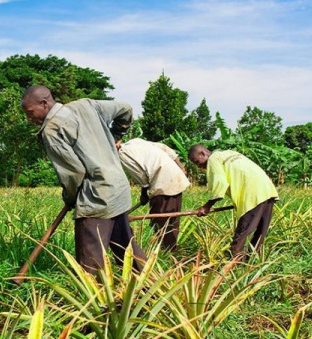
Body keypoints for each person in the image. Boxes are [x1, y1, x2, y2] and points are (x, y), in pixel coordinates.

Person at [21, 85, 147, 274]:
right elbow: (126, 109)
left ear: (44, 104)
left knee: (91, 259)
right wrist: (116, 135)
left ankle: (96, 300)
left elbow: (74, 174)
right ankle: (151, 288)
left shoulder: (52, 129)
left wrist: (70, 198)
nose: (29, 119)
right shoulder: (86, 105)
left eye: (30, 112)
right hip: (119, 189)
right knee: (124, 245)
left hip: (96, 196)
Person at [188, 144, 278, 258]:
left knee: (240, 236)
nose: (198, 166)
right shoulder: (229, 153)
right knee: (260, 233)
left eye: (197, 162)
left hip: (252, 194)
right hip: (267, 190)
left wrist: (206, 206)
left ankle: (234, 265)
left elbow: (219, 184)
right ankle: (251, 263)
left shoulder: (213, 159)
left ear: (203, 153)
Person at [117, 138, 190, 251]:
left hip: (163, 181)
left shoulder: (122, 153)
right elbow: (166, 149)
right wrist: (181, 168)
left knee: (161, 220)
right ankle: (170, 249)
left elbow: (140, 176)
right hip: (176, 176)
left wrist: (144, 194)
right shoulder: (136, 141)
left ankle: (165, 251)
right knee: (172, 218)